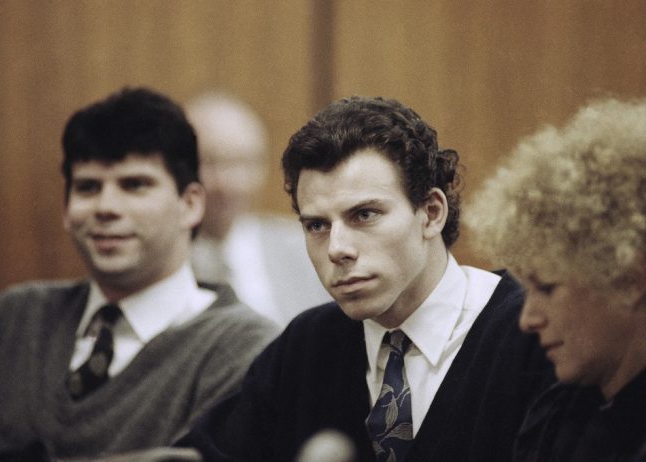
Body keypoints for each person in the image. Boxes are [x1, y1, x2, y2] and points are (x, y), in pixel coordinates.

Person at [175, 96, 553, 462]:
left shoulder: (536, 330)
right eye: (317, 225)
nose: (337, 248)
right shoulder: (306, 347)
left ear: (431, 213)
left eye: (364, 215)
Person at [0, 87, 279, 461]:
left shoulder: (245, 351)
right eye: (87, 187)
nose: (106, 207)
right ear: (66, 209)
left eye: (134, 185)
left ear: (190, 205)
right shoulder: (10, 322)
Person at [465, 98, 646, 462]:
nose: (528, 320)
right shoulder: (556, 413)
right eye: (527, 290)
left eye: (546, 288)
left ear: (629, 280)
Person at [186, 91, 329, 326]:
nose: (229, 183)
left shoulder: (307, 247)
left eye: (243, 163)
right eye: (210, 162)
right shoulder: (159, 261)